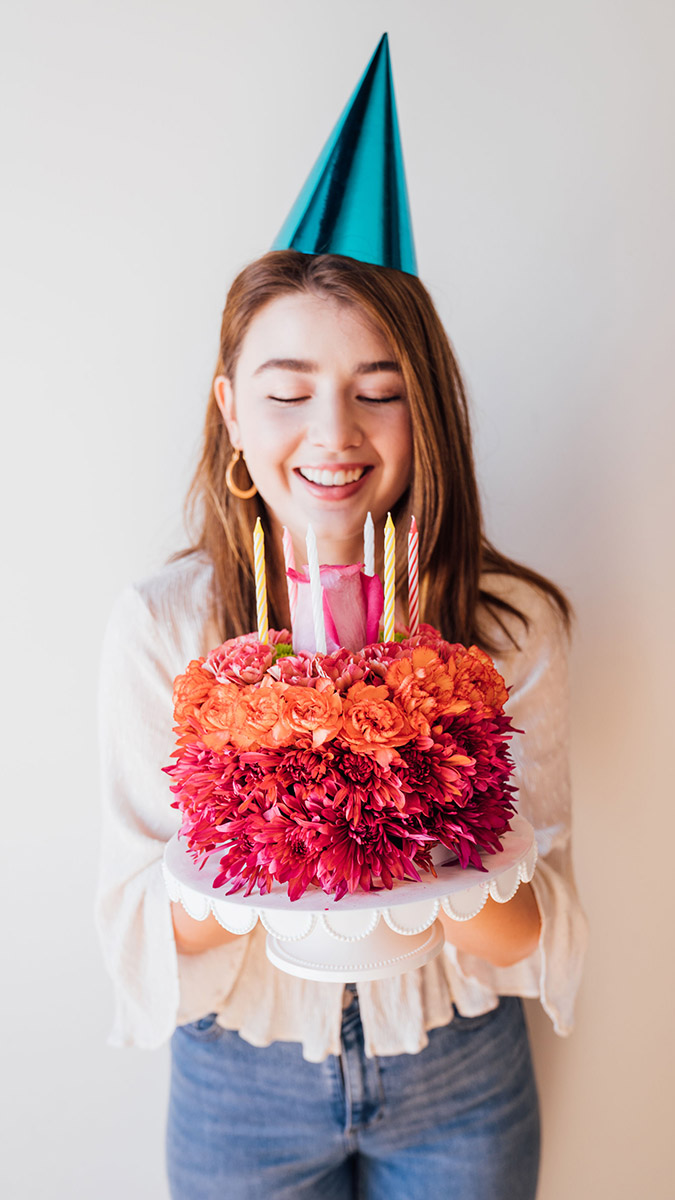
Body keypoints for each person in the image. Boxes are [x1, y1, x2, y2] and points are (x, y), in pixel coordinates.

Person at [96, 36, 587, 1200]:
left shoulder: (510, 631)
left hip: (460, 1066)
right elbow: (137, 935)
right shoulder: (164, 630)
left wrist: (423, 829)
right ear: (229, 409)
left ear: (429, 414)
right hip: (239, 1078)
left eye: (379, 393)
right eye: (287, 391)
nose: (334, 436)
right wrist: (270, 826)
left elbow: (546, 934)